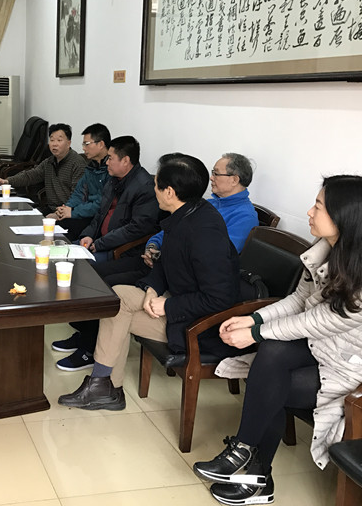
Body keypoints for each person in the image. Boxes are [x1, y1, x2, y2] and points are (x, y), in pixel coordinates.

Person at [193, 175, 362, 505]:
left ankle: (253, 467)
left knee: (271, 385)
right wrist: (254, 319)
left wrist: (254, 332)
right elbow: (300, 300)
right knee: (272, 357)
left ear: (346, 216)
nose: (309, 212)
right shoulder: (326, 250)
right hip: (330, 349)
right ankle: (250, 461)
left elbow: (321, 320)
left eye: (318, 206)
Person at [58, 154, 241, 410]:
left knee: (115, 316)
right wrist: (152, 289)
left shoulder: (204, 232)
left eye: (156, 185)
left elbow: (219, 298)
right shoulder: (187, 214)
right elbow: (166, 262)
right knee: (117, 297)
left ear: (170, 192)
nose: (153, 189)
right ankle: (104, 386)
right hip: (179, 301)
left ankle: (105, 387)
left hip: (199, 325)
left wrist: (168, 306)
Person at [51, 135, 161, 372]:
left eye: (111, 158)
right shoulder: (113, 180)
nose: (107, 162)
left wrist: (99, 244)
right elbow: (100, 215)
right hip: (100, 243)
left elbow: (137, 229)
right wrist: (88, 236)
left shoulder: (144, 187)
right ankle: (83, 333)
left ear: (126, 161)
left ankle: (90, 347)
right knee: (62, 258)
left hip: (124, 251)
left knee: (85, 276)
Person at [0, 123, 85, 213]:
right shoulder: (49, 162)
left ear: (68, 143)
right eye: (52, 140)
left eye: (59, 140)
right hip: (51, 209)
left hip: (70, 213)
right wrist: (7, 181)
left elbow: (78, 196)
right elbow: (31, 175)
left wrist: (58, 214)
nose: (54, 144)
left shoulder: (77, 163)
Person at [47, 123, 110, 241]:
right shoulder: (91, 167)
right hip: (84, 213)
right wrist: (66, 209)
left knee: (63, 233)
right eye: (83, 144)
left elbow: (101, 203)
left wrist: (72, 212)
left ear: (101, 144)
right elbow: (79, 193)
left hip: (97, 218)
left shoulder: (111, 169)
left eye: (87, 144)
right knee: (53, 227)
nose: (84, 148)